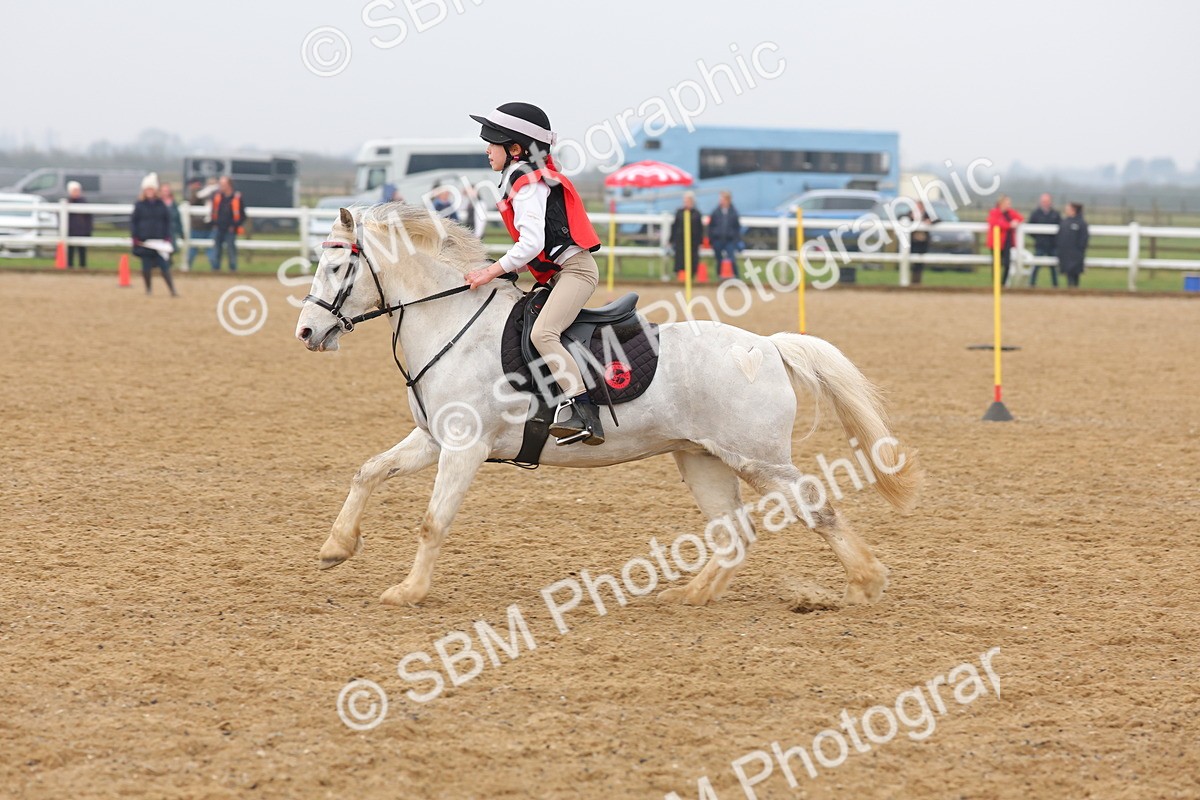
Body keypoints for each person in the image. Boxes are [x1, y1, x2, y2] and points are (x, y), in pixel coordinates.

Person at [464, 102, 604, 446]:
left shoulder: (527, 181)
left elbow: (530, 244)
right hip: (558, 274)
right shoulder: (521, 176)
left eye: (492, 143)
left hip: (576, 272)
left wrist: (490, 272)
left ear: (514, 149)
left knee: (544, 333)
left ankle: (585, 412)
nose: (486, 150)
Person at [130, 173, 178, 296]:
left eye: (151, 189)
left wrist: (167, 237)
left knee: (164, 267)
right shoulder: (139, 205)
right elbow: (134, 222)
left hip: (160, 241)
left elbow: (167, 221)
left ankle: (172, 290)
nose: (149, 191)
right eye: (147, 189)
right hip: (145, 241)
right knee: (146, 267)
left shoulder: (161, 205)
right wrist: (135, 237)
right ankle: (148, 289)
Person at [210, 176, 247, 272]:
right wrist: (214, 224)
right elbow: (213, 212)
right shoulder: (217, 197)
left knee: (231, 251)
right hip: (218, 228)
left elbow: (242, 215)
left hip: (230, 230)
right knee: (216, 251)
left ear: (229, 185)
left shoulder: (237, 198)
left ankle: (232, 270)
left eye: (223, 184)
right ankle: (215, 269)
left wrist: (234, 225)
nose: (221, 186)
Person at [987, 195, 1024, 285]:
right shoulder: (994, 212)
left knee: (1007, 264)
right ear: (1001, 203)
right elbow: (995, 223)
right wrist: (1009, 225)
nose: (1009, 205)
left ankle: (1003, 284)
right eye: (1007, 203)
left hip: (1007, 242)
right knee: (996, 265)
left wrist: (1015, 222)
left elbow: (1020, 218)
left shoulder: (1010, 213)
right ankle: (996, 284)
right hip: (996, 243)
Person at [1028, 193, 1062, 287]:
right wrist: (1038, 237)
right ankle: (1031, 285)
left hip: (1052, 245)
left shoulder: (1055, 214)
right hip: (1040, 244)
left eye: (1047, 201)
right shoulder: (1035, 214)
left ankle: (1055, 286)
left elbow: (1060, 228)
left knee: (1054, 267)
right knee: (1036, 265)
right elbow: (1029, 228)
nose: (1045, 203)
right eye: (1043, 201)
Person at [903, 200, 939, 285]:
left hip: (922, 243)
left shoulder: (926, 215)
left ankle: (917, 282)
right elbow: (902, 218)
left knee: (920, 264)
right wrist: (912, 218)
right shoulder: (909, 214)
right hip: (913, 242)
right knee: (910, 263)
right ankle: (910, 281)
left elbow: (938, 219)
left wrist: (929, 222)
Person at [707, 190, 741, 279]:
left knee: (732, 258)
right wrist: (711, 239)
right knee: (718, 259)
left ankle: (736, 276)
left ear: (728, 200)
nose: (720, 201)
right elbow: (711, 226)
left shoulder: (733, 212)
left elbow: (736, 227)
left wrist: (736, 239)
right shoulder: (716, 212)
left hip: (729, 239)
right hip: (717, 239)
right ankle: (719, 276)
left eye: (722, 199)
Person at [186, 178, 218, 271]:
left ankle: (215, 268)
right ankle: (188, 267)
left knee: (211, 250)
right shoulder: (198, 194)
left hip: (209, 227)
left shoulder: (216, 195)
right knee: (192, 249)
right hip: (197, 227)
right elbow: (192, 201)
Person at [670, 192, 703, 278]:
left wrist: (701, 241)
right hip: (680, 241)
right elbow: (674, 226)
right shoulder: (679, 212)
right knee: (680, 259)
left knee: (692, 260)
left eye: (688, 201)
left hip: (693, 242)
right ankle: (680, 276)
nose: (686, 202)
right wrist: (671, 239)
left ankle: (691, 276)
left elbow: (700, 229)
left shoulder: (696, 214)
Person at [1056, 203, 1089, 288]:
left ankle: (1075, 290)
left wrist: (1079, 249)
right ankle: (1070, 289)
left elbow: (1084, 238)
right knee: (1068, 274)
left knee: (1075, 273)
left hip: (1076, 253)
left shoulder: (1081, 223)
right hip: (1065, 253)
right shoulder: (1064, 222)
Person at [65, 180, 92, 268]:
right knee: (70, 250)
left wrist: (88, 230)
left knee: (82, 250)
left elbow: (88, 218)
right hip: (71, 230)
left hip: (81, 230)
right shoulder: (67, 202)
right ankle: (69, 266)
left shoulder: (84, 202)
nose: (77, 192)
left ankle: (83, 267)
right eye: (74, 190)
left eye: (77, 190)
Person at [160, 183, 184, 267]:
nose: (166, 192)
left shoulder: (174, 204)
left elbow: (177, 218)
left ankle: (167, 266)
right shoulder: (158, 203)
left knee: (170, 249)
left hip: (171, 231)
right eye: (164, 190)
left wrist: (181, 232)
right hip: (160, 231)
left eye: (167, 190)